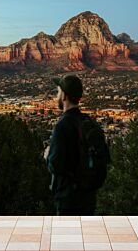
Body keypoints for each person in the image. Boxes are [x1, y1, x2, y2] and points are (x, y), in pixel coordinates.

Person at [44, 74, 97, 216]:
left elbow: (55, 165)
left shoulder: (62, 126)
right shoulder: (89, 123)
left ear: (64, 96)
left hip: (68, 200)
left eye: (58, 92)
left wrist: (48, 155)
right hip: (89, 199)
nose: (57, 96)